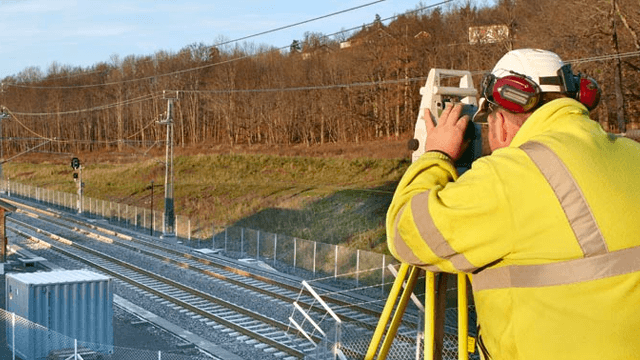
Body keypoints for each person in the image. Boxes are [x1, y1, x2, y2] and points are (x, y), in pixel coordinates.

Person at [386, 48, 640, 360]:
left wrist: (436, 156)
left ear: (500, 122)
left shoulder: (510, 176)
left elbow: (405, 232)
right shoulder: (631, 153)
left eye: (486, 124)